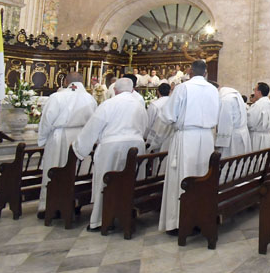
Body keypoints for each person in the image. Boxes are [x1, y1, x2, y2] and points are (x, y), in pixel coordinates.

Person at [73, 78, 148, 231]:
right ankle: (126, 213)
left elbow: (94, 126)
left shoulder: (109, 104)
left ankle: (101, 220)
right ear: (132, 89)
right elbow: (144, 127)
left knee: (105, 182)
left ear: (115, 89)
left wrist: (79, 147)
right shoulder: (139, 105)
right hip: (136, 145)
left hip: (112, 147)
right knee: (129, 182)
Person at [158, 60, 219, 233]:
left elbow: (168, 115)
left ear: (190, 71)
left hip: (186, 137)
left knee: (183, 177)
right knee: (203, 176)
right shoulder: (213, 90)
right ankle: (200, 218)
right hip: (207, 138)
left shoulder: (183, 88)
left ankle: (178, 222)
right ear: (205, 73)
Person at [36, 73, 98, 218]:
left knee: (55, 170)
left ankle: (49, 206)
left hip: (60, 137)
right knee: (77, 171)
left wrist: (43, 139)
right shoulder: (90, 98)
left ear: (66, 81)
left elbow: (47, 120)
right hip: (81, 137)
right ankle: (75, 204)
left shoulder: (57, 97)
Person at [216, 87, 251, 157]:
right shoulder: (236, 95)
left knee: (231, 158)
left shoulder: (225, 100)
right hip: (242, 132)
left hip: (233, 137)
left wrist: (221, 141)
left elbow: (225, 122)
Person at [145, 83, 175, 152]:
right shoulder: (173, 103)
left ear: (158, 92)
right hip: (170, 137)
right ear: (170, 91)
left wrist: (146, 137)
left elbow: (149, 123)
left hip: (156, 136)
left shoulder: (154, 105)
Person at [248, 82, 270, 151]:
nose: (254, 92)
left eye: (254, 90)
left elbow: (250, 123)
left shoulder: (258, 105)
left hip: (257, 137)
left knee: (256, 156)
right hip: (267, 137)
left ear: (259, 92)